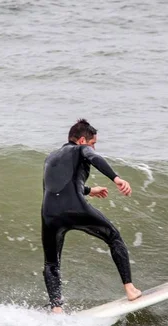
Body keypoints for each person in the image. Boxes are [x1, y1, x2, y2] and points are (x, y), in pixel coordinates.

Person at [41, 118, 142, 314]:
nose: (93, 148)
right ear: (81, 141)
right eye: (93, 143)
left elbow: (55, 188)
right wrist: (116, 178)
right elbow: (94, 159)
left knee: (51, 263)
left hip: (49, 214)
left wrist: (88, 190)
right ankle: (130, 289)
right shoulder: (81, 150)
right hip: (75, 207)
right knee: (113, 237)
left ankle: (57, 308)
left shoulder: (50, 158)